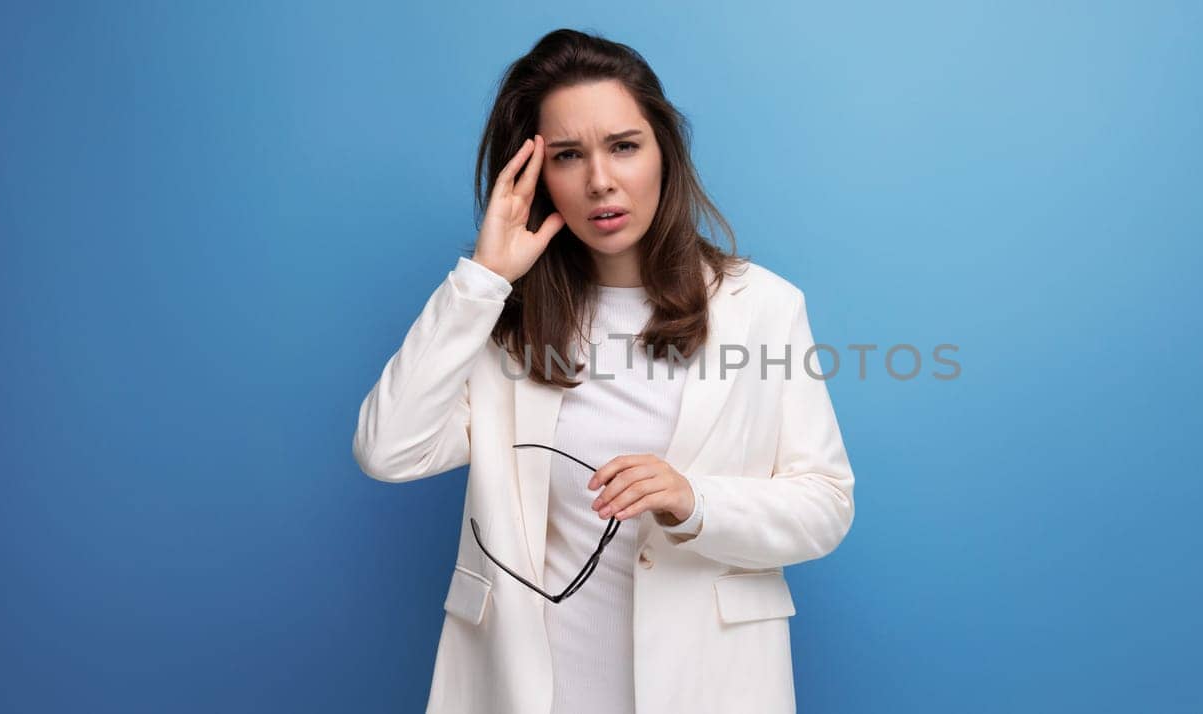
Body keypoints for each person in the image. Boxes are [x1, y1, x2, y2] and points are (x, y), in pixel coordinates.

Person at [352, 28, 856, 714]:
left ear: (664, 153)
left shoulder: (762, 308)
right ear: (534, 177)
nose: (600, 181)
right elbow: (388, 451)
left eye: (624, 146)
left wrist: (693, 499)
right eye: (567, 155)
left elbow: (825, 503)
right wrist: (483, 278)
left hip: (706, 686)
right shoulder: (503, 322)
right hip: (529, 691)